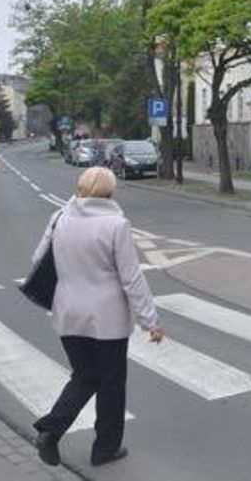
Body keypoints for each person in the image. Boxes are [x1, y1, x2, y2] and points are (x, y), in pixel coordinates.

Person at [32, 167, 163, 468]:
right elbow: (131, 278)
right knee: (111, 384)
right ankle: (105, 449)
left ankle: (50, 431)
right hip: (107, 319)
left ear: (79, 190)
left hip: (67, 313)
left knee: (84, 375)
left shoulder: (59, 218)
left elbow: (38, 259)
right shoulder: (116, 224)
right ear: (110, 193)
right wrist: (150, 321)